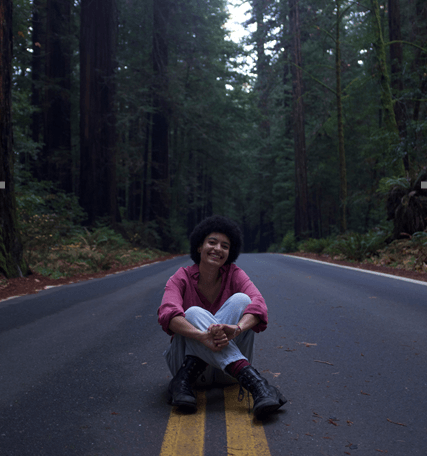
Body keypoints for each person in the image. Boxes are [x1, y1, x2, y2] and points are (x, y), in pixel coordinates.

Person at [157, 215, 286, 419]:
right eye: (212, 242)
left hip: (228, 376)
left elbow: (259, 305)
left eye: (225, 246)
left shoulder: (234, 274)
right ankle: (258, 385)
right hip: (193, 378)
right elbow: (167, 314)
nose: (218, 249)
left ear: (229, 253)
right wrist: (201, 336)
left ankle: (179, 383)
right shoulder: (180, 278)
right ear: (200, 246)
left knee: (242, 300)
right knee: (192, 313)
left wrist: (237, 329)